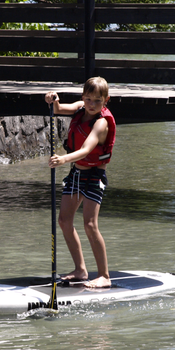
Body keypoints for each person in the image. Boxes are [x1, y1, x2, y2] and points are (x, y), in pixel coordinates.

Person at [45, 77, 116, 289]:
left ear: (106, 100)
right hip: (77, 174)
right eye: (88, 99)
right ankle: (80, 270)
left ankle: (104, 275)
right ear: (82, 97)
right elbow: (57, 109)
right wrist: (53, 99)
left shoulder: (102, 123)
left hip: (94, 176)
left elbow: (86, 150)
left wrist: (62, 159)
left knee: (90, 224)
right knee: (64, 221)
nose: (92, 104)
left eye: (97, 100)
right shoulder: (80, 107)